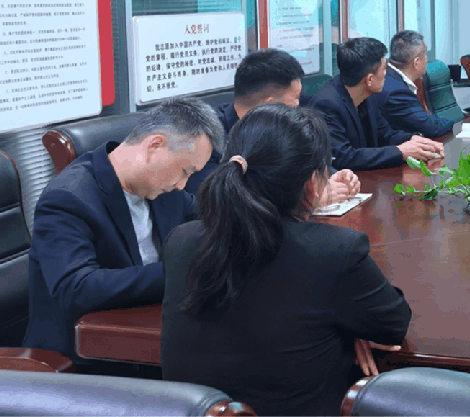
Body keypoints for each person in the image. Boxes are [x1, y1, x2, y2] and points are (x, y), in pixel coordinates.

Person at [162, 104, 411, 416]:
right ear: (312, 185)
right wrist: (351, 326)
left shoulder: (181, 241)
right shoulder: (335, 251)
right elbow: (393, 324)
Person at [24, 97, 223, 364]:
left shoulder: (163, 189)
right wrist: (180, 272)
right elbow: (77, 288)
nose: (182, 185)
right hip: (84, 357)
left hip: (145, 330)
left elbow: (209, 220)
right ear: (155, 146)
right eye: (185, 171)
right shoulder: (68, 198)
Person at [187, 49, 359, 204]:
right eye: (295, 100)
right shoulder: (206, 137)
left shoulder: (281, 126)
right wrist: (305, 199)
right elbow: (214, 197)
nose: (298, 107)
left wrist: (330, 177)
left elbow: (305, 159)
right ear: (268, 105)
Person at [309, 37, 443, 171]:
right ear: (369, 79)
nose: (386, 74)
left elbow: (385, 134)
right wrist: (400, 152)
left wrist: (413, 139)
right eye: (384, 69)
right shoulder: (326, 105)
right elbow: (344, 157)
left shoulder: (366, 94)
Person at [370, 30, 456, 138]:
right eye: (425, 55)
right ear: (416, 62)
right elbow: (431, 127)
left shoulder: (390, 76)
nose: (427, 60)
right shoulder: (396, 91)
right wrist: (453, 122)